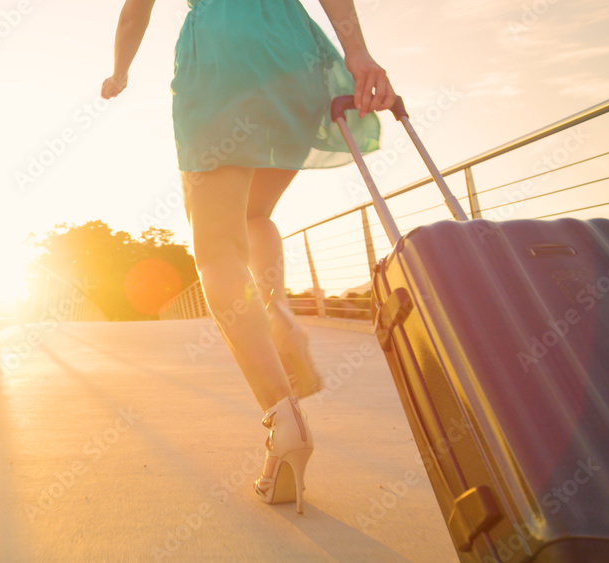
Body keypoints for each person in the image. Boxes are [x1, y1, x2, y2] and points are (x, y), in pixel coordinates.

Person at [101, 0, 396, 514]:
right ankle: (276, 307)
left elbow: (134, 13)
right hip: (292, 53)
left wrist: (119, 71)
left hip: (221, 56)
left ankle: (283, 419)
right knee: (254, 214)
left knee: (216, 251)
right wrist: (359, 53)